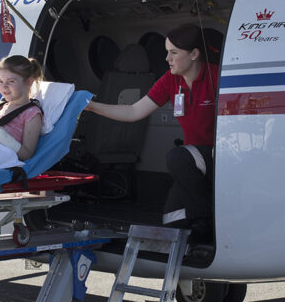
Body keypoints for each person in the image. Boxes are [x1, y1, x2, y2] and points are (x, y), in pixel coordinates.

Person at [84, 23, 217, 256]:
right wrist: (91, 107)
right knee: (172, 221)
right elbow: (134, 112)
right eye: (166, 51)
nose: (167, 58)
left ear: (194, 54)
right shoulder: (170, 80)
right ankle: (200, 251)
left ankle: (207, 219)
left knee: (177, 157)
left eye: (174, 53)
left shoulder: (217, 76)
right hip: (194, 161)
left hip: (219, 155)